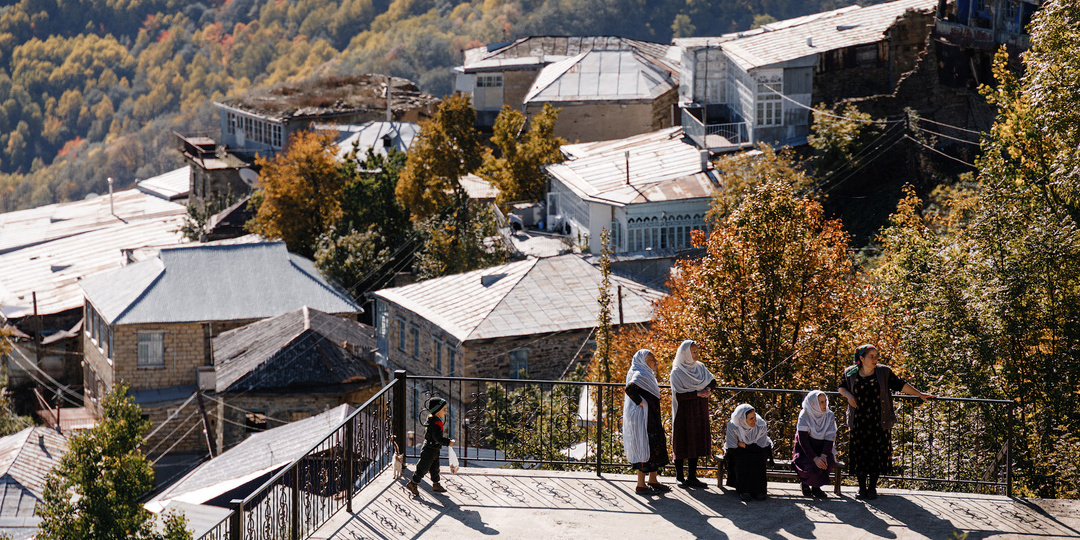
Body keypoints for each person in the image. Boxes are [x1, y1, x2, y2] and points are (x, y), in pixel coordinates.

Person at [837, 344, 934, 500]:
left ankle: (872, 488)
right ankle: (861, 488)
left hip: (879, 421)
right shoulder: (851, 372)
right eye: (871, 356)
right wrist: (848, 395)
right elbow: (841, 387)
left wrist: (919, 394)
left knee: (876, 454)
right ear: (861, 358)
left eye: (876, 356)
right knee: (860, 454)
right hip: (858, 421)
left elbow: (901, 385)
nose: (875, 359)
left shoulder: (883, 372)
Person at [622, 349, 671, 494]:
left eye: (654, 359)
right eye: (651, 360)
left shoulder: (646, 374)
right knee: (645, 447)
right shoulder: (641, 373)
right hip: (643, 419)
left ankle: (653, 480)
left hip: (650, 417)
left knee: (654, 446)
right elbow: (630, 388)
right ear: (643, 362)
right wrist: (641, 403)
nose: (655, 362)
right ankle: (641, 484)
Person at [669, 340, 716, 488]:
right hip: (684, 410)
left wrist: (708, 389)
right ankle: (679, 476)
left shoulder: (700, 367)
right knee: (682, 439)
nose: (696, 354)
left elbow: (712, 380)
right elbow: (679, 395)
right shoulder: (677, 372)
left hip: (699, 409)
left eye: (696, 351)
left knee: (695, 439)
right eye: (693, 352)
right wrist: (697, 393)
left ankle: (692, 476)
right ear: (685, 354)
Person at [406, 396, 454, 497]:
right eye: (444, 410)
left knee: (435, 467)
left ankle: (436, 484)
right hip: (429, 449)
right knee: (423, 467)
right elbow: (437, 438)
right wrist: (448, 442)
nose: (445, 412)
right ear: (437, 410)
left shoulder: (433, 419)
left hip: (434, 448)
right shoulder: (435, 423)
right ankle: (413, 483)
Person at [792, 390, 837, 498]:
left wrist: (823, 456)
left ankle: (816, 488)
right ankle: (806, 484)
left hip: (822, 449)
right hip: (806, 450)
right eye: (821, 402)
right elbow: (803, 440)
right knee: (810, 466)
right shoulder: (805, 414)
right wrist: (814, 458)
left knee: (827, 463)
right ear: (813, 404)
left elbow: (830, 438)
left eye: (825, 401)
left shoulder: (829, 415)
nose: (824, 404)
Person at [724, 403, 772, 501]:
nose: (755, 420)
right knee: (741, 460)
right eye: (751, 418)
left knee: (758, 459)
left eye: (754, 417)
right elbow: (733, 447)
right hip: (738, 451)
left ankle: (759, 490)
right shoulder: (733, 425)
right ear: (742, 419)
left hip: (758, 450)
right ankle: (743, 490)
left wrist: (744, 445)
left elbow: (761, 447)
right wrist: (749, 447)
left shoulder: (760, 424)